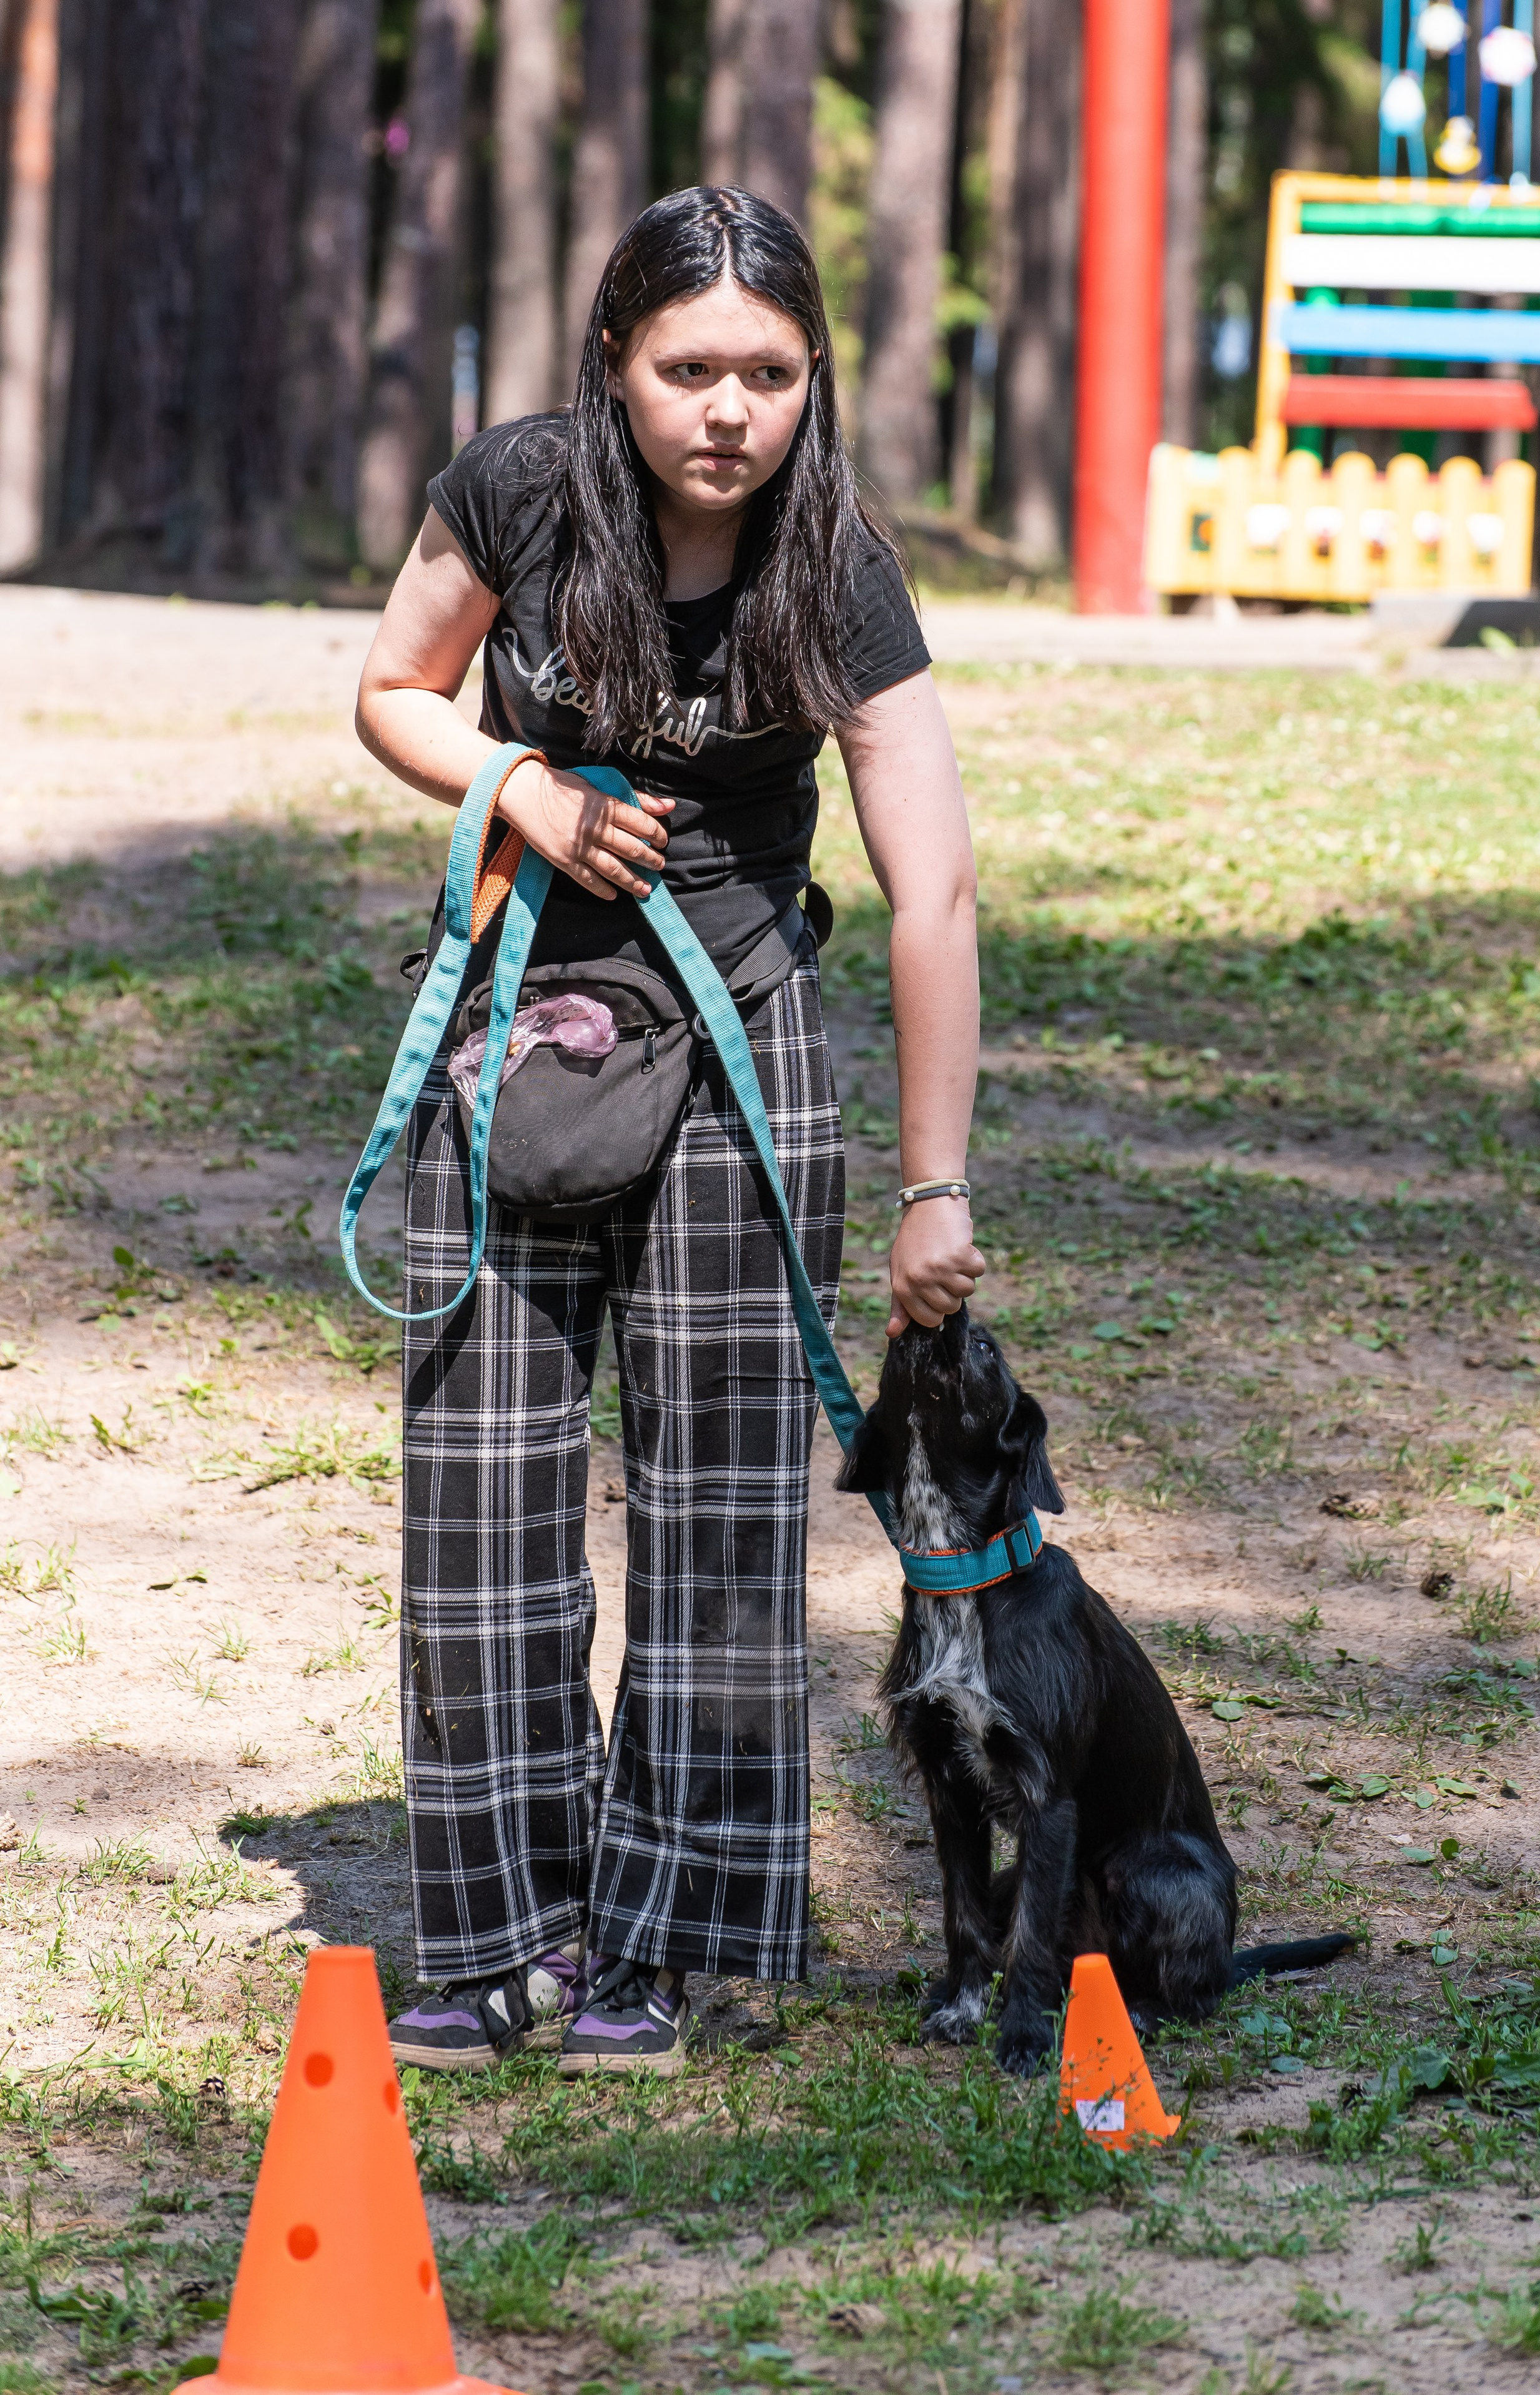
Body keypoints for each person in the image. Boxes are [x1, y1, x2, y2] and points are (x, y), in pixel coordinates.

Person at [354, 185, 982, 2078]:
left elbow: (935, 888)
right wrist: (520, 782)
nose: (729, 409)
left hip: (743, 1038)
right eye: (689, 367)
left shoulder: (836, 563)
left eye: (770, 373)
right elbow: (391, 693)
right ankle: (503, 1937)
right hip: (522, 1020)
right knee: (481, 1496)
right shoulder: (521, 494)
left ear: (813, 380)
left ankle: (664, 1944)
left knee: (721, 1509)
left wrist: (936, 1186)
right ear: (614, 363)